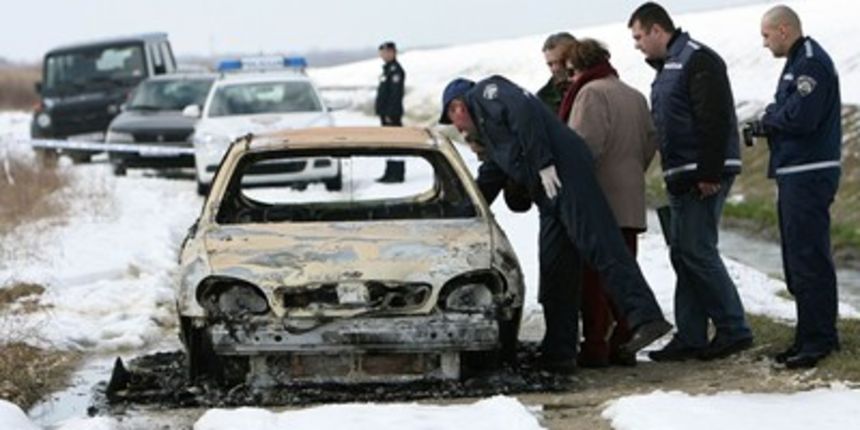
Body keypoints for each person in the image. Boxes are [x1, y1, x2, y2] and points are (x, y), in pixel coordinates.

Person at [440, 76, 672, 371]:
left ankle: (646, 317)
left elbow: (524, 109)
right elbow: (487, 181)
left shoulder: (486, 92)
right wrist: (456, 215)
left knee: (600, 245)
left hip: (565, 172)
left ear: (458, 106)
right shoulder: (494, 139)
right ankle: (559, 352)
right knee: (555, 269)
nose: (458, 128)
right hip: (548, 194)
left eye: (453, 119)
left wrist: (543, 162)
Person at [628, 2, 753, 362]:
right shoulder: (668, 67)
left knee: (697, 250)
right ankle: (691, 335)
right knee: (683, 254)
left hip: (703, 174)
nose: (637, 45)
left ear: (657, 29)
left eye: (639, 36)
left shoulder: (698, 60)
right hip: (682, 174)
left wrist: (710, 172)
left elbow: (714, 117)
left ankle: (734, 329)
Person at [746, 5, 842, 369]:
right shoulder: (797, 61)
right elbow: (786, 107)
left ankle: (819, 340)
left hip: (809, 171)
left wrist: (769, 121)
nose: (764, 43)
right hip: (795, 171)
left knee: (808, 256)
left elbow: (801, 117)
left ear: (783, 30)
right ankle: (808, 335)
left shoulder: (811, 63)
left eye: (766, 35)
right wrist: (773, 117)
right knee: (797, 257)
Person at [561, 38, 659, 367]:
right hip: (630, 196)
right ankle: (624, 340)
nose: (570, 79)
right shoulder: (634, 95)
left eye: (570, 71)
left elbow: (584, 147)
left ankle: (595, 346)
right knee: (625, 272)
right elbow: (649, 143)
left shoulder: (590, 93)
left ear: (579, 66)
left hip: (600, 198)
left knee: (595, 279)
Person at [375, 41, 406, 183]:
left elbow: (395, 95)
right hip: (385, 113)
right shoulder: (386, 70)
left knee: (396, 144)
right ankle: (389, 171)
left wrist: (390, 113)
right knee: (388, 144)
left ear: (393, 52)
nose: (383, 55)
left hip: (392, 114)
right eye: (381, 53)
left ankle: (397, 173)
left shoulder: (396, 71)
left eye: (386, 52)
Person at [537, 32, 577, 113]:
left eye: (560, 61)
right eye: (550, 64)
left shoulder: (595, 85)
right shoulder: (543, 98)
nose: (555, 69)